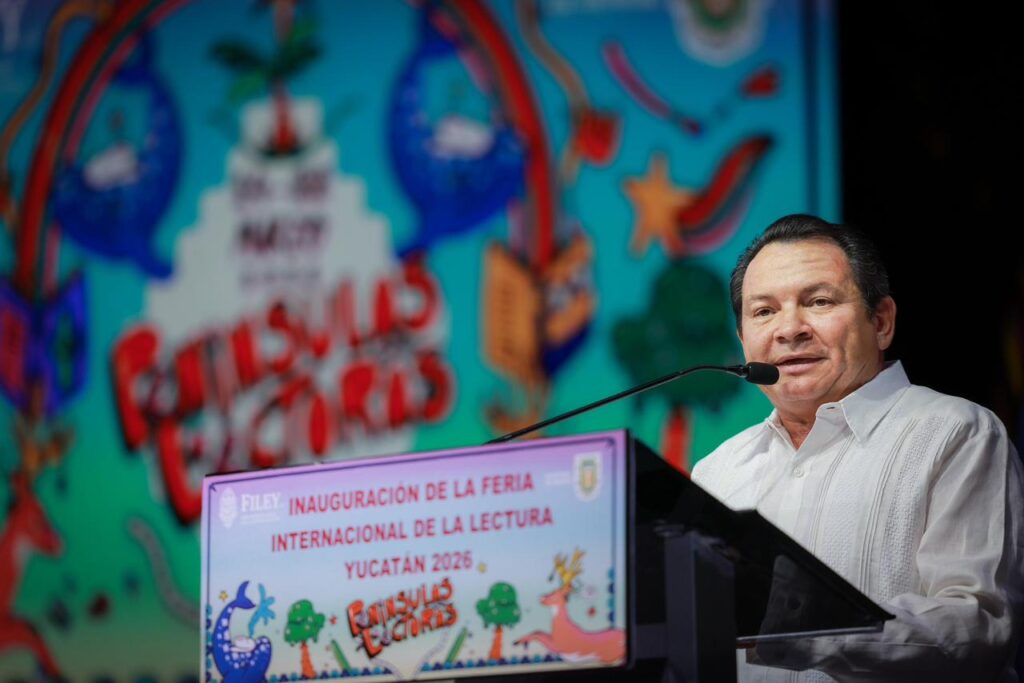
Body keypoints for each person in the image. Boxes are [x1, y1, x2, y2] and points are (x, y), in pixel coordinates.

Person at [691, 214, 1024, 682]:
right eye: (764, 311)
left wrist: (803, 630)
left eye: (819, 301)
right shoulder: (717, 470)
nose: (789, 329)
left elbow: (977, 628)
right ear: (744, 340)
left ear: (882, 321)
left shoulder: (956, 433)